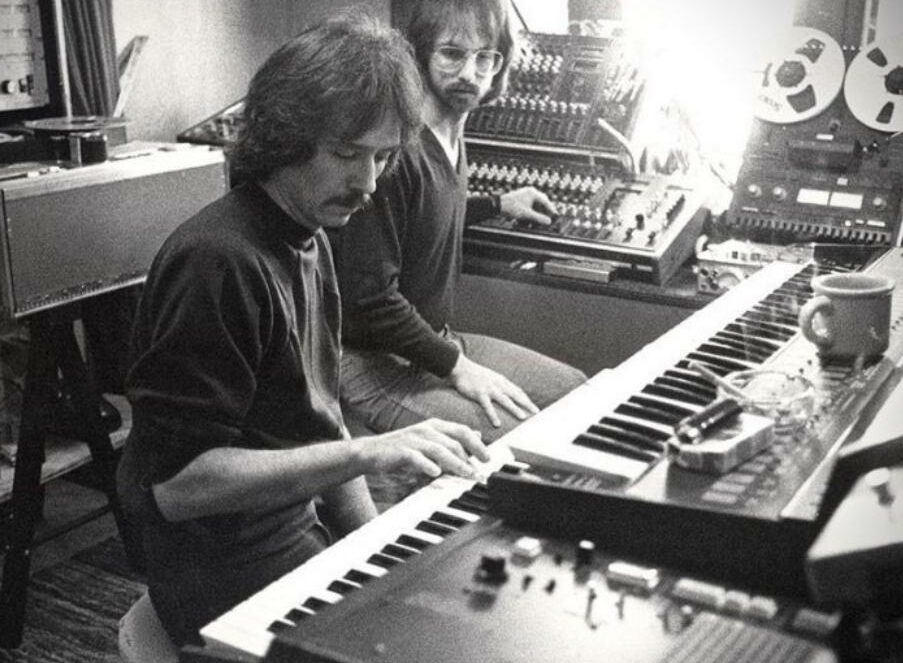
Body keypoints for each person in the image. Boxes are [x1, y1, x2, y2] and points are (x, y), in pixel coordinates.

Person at [115, 13, 488, 647]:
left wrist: (377, 556)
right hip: (226, 582)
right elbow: (176, 488)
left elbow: (324, 425)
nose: (368, 183)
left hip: (293, 544)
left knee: (452, 618)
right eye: (347, 154)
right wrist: (367, 453)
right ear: (286, 138)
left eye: (382, 158)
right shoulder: (218, 262)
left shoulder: (309, 236)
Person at [335, 0, 588, 458]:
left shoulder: (450, 135)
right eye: (452, 54)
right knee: (528, 439)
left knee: (577, 392)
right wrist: (458, 367)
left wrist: (497, 204)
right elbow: (369, 299)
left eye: (484, 57)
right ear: (420, 56)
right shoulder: (397, 153)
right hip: (371, 364)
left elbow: (424, 215)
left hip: (432, 342)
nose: (470, 73)